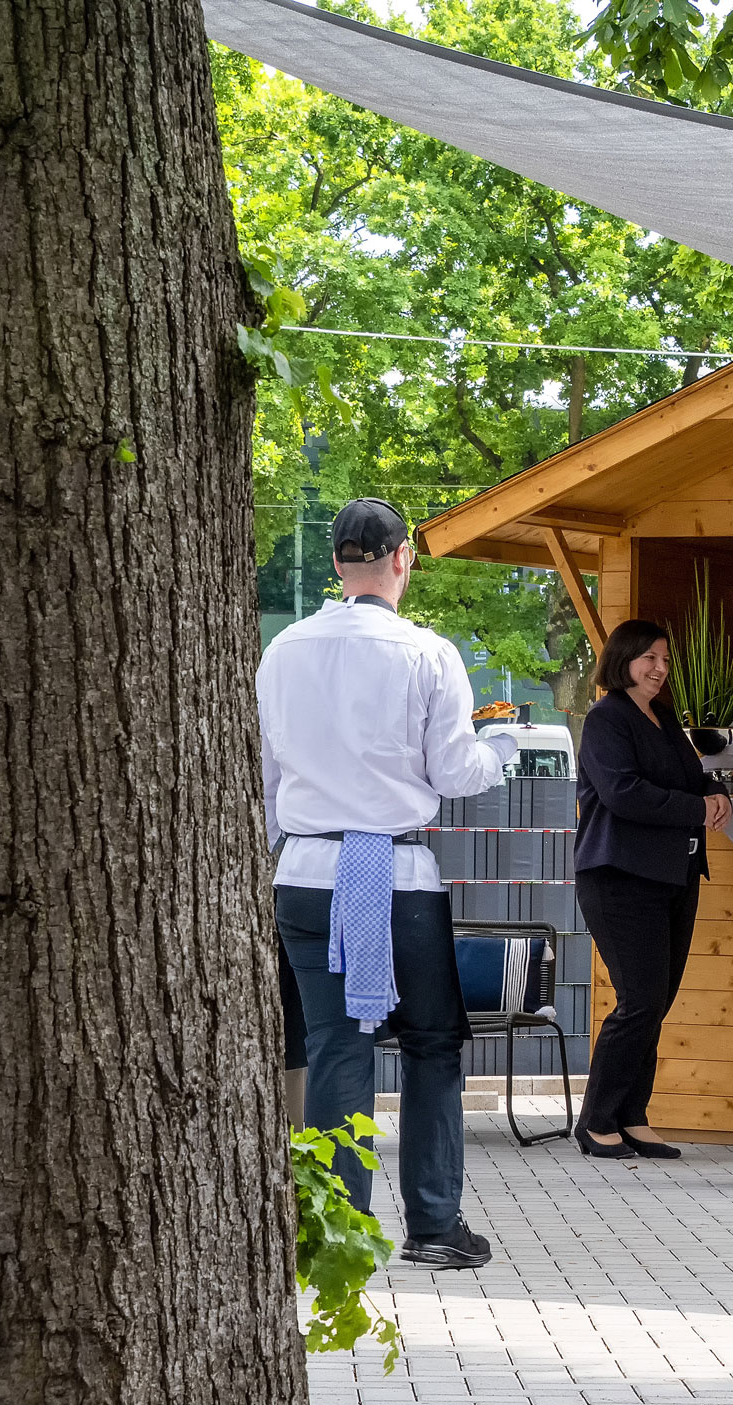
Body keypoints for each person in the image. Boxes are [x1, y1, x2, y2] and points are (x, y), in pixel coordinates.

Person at [261, 496, 517, 1268]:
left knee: (339, 1047)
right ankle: (435, 1225)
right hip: (396, 872)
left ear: (337, 562)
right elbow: (454, 771)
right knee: (434, 1044)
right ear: (402, 559)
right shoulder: (427, 652)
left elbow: (268, 778)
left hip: (305, 867)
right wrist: (498, 745)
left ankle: (337, 1233)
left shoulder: (283, 651)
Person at [572, 619, 731, 1161]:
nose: (660, 669)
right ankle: (595, 1120)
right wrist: (697, 808)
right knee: (639, 1001)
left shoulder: (662, 718)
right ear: (624, 660)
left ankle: (631, 1114)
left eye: (665, 659)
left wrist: (715, 792)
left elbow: (693, 777)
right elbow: (624, 793)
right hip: (619, 878)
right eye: (649, 659)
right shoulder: (606, 718)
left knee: (655, 1003)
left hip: (674, 876)